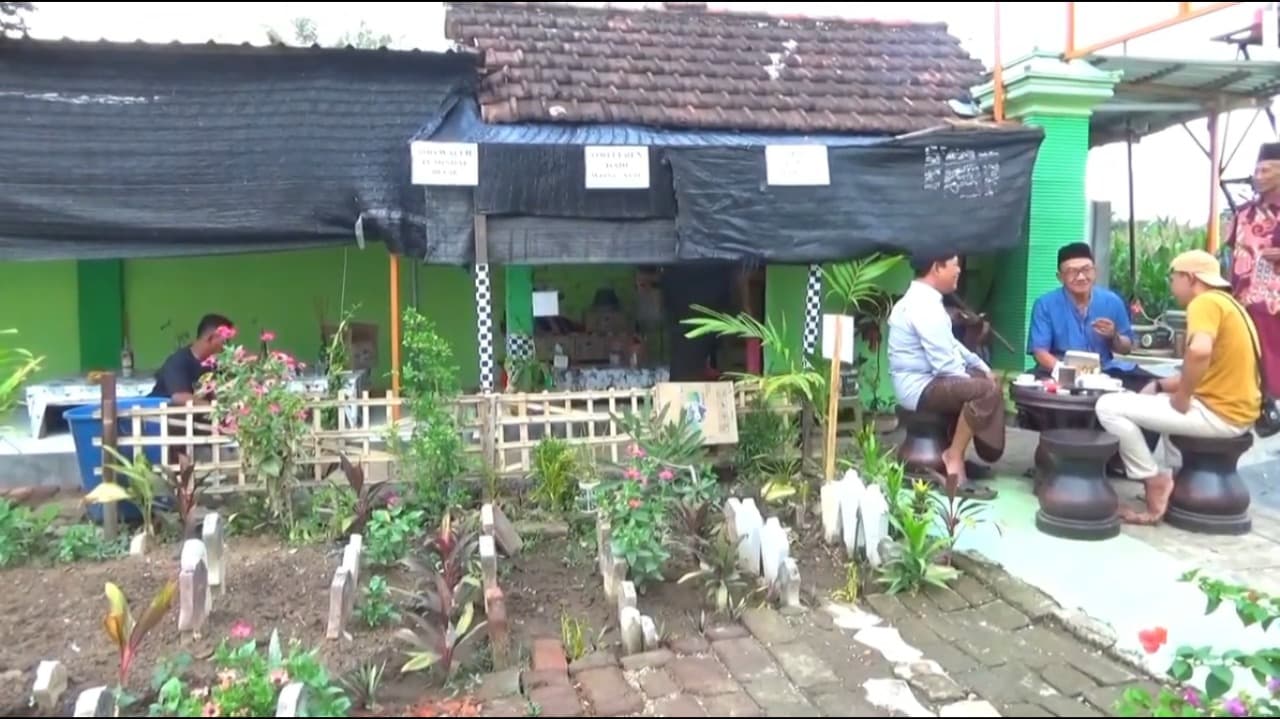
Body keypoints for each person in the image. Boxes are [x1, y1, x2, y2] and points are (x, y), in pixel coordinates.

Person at [1095, 251, 1261, 525]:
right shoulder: (1231, 306)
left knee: (1108, 406)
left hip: (1218, 414)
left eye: (1173, 279)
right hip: (1238, 413)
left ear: (1190, 278)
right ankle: (1176, 484)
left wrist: (1182, 397)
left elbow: (1198, 352)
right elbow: (1210, 369)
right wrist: (1161, 385)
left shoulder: (1204, 303)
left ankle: (1153, 480)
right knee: (1155, 405)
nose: (1172, 287)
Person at [887, 252, 1004, 492]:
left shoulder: (927, 301)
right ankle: (953, 456)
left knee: (983, 381)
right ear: (936, 268)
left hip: (930, 382)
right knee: (984, 391)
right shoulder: (922, 306)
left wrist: (982, 369)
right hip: (919, 389)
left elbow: (953, 346)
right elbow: (946, 367)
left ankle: (960, 451)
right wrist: (979, 382)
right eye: (954, 265)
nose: (959, 271)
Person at [1028, 242, 1151, 389]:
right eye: (1072, 272)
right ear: (1060, 277)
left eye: (1086, 270)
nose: (1081, 277)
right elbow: (1040, 352)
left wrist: (1114, 336)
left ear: (1095, 271)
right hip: (1059, 370)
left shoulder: (1112, 301)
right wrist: (1069, 373)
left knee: (1149, 384)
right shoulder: (1045, 304)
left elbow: (1126, 348)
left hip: (1104, 370)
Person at [1228, 142, 1280, 397]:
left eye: (1266, 171)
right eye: (1257, 171)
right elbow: (1231, 259)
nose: (1258, 177)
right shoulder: (1244, 214)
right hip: (1246, 308)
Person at [149, 313, 234, 405]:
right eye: (225, 341)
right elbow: (180, 398)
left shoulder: (215, 364)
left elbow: (219, 394)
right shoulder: (178, 361)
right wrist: (217, 409)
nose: (227, 347)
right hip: (156, 416)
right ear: (210, 338)